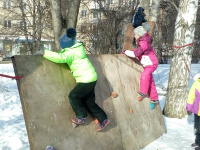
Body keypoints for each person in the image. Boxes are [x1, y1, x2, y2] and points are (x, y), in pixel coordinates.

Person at [35, 28, 110, 132]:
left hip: (85, 80)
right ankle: (104, 119)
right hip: (91, 78)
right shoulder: (77, 49)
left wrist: (45, 53)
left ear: (66, 46)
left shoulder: (71, 53)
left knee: (73, 96)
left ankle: (81, 117)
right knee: (90, 102)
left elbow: (59, 58)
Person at [121, 26, 159, 110]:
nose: (134, 35)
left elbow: (136, 54)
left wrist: (126, 52)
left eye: (135, 34)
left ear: (140, 34)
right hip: (147, 63)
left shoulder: (144, 43)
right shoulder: (142, 41)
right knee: (150, 80)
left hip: (151, 63)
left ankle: (143, 92)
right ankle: (154, 99)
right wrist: (126, 52)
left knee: (145, 75)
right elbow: (137, 51)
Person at [186, 73, 200, 150]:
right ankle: (198, 142)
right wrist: (189, 108)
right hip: (197, 111)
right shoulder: (196, 84)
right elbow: (191, 96)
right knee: (197, 127)